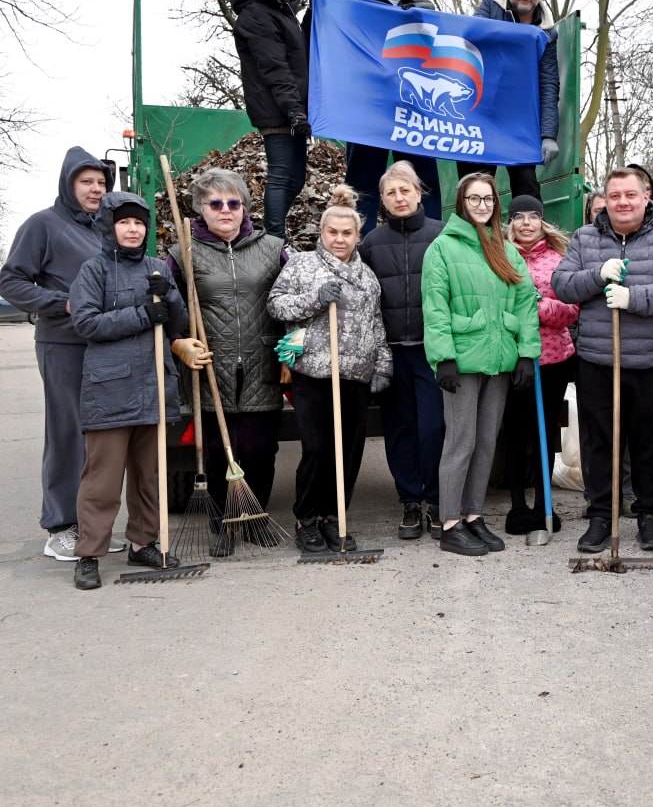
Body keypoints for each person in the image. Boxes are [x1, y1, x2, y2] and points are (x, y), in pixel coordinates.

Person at [552, 167, 653, 553]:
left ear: (645, 196)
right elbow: (562, 285)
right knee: (600, 442)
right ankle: (601, 514)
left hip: (652, 360)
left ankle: (650, 514)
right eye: (615, 196)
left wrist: (635, 298)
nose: (623, 202)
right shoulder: (585, 238)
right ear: (606, 200)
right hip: (599, 359)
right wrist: (598, 275)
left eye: (630, 195)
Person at [0, 147, 131, 561]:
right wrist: (63, 303)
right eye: (86, 182)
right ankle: (60, 525)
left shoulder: (104, 228)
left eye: (101, 183)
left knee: (99, 439)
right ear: (68, 183)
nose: (95, 189)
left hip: (105, 344)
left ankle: (90, 526)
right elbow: (11, 280)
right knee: (66, 433)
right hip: (63, 344)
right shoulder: (44, 225)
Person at [68, 193, 205, 589]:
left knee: (150, 476)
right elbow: (87, 324)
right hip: (109, 391)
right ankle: (90, 553)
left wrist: (170, 295)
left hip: (152, 386)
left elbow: (177, 320)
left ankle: (143, 542)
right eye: (125, 222)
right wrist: (142, 313)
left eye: (139, 223)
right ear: (110, 227)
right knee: (102, 481)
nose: (133, 229)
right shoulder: (93, 270)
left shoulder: (155, 266)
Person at [166, 169, 286, 556]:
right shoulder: (182, 251)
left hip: (260, 361)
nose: (225, 210)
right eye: (215, 203)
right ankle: (220, 525)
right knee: (218, 449)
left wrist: (295, 343)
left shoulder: (272, 247)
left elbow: (297, 295)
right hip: (210, 364)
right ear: (202, 209)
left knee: (260, 448)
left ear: (244, 208)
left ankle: (253, 518)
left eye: (233, 203)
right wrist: (178, 342)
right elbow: (167, 308)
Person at [267, 186, 392, 554]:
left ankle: (334, 516)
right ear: (322, 233)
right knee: (318, 448)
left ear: (357, 235)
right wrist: (315, 299)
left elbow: (377, 324)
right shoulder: (302, 265)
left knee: (349, 451)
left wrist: (383, 364)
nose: (340, 239)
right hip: (315, 374)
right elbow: (276, 306)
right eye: (332, 232)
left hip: (355, 374)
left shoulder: (367, 277)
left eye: (347, 233)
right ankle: (307, 518)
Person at [421, 173, 541, 556]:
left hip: (499, 359)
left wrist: (526, 352)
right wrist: (444, 359)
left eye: (488, 199)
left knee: (488, 442)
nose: (482, 206)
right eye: (474, 199)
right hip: (463, 361)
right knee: (461, 442)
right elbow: (435, 308)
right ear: (461, 203)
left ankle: (473, 515)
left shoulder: (506, 249)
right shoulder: (442, 248)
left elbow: (525, 303)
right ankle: (450, 522)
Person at [356, 161, 446, 541]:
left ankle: (439, 500)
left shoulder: (442, 236)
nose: (399, 198)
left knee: (435, 427)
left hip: (433, 350)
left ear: (419, 192)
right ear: (383, 199)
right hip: (391, 352)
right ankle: (410, 502)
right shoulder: (371, 244)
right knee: (400, 429)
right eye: (391, 193)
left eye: (404, 190)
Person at [343, 0, 442, 232]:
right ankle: (360, 251)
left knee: (423, 183)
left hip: (414, 109)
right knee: (362, 185)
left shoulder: (425, 9)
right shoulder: (355, 3)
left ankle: (431, 246)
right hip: (369, 109)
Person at [502, 194, 577, 534]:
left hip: (553, 358)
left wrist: (541, 306)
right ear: (510, 223)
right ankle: (517, 506)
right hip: (510, 358)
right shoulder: (498, 257)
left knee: (544, 431)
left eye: (533, 216)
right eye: (519, 217)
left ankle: (542, 504)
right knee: (514, 432)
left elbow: (571, 310)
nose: (527, 223)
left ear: (542, 221)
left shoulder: (560, 260)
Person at [456, 0, 559, 201]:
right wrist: (521, 37)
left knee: (528, 189)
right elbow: (470, 35)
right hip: (482, 116)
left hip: (519, 123)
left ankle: (527, 238)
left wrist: (548, 135)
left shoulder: (547, 31)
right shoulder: (490, 6)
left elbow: (548, 83)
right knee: (475, 189)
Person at [231, 0, 309, 240]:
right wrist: (294, 110)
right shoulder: (255, 13)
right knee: (281, 175)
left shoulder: (280, 8)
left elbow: (296, 55)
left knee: (296, 177)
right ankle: (274, 240)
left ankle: (273, 234)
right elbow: (274, 66)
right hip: (277, 108)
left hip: (290, 107)